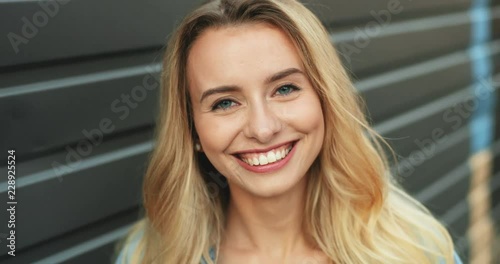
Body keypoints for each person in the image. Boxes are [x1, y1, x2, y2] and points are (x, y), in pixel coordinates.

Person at [114, 0, 464, 263]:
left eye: (284, 89)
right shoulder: (148, 254)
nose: (263, 129)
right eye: (224, 103)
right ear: (191, 129)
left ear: (326, 99)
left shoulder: (417, 250)